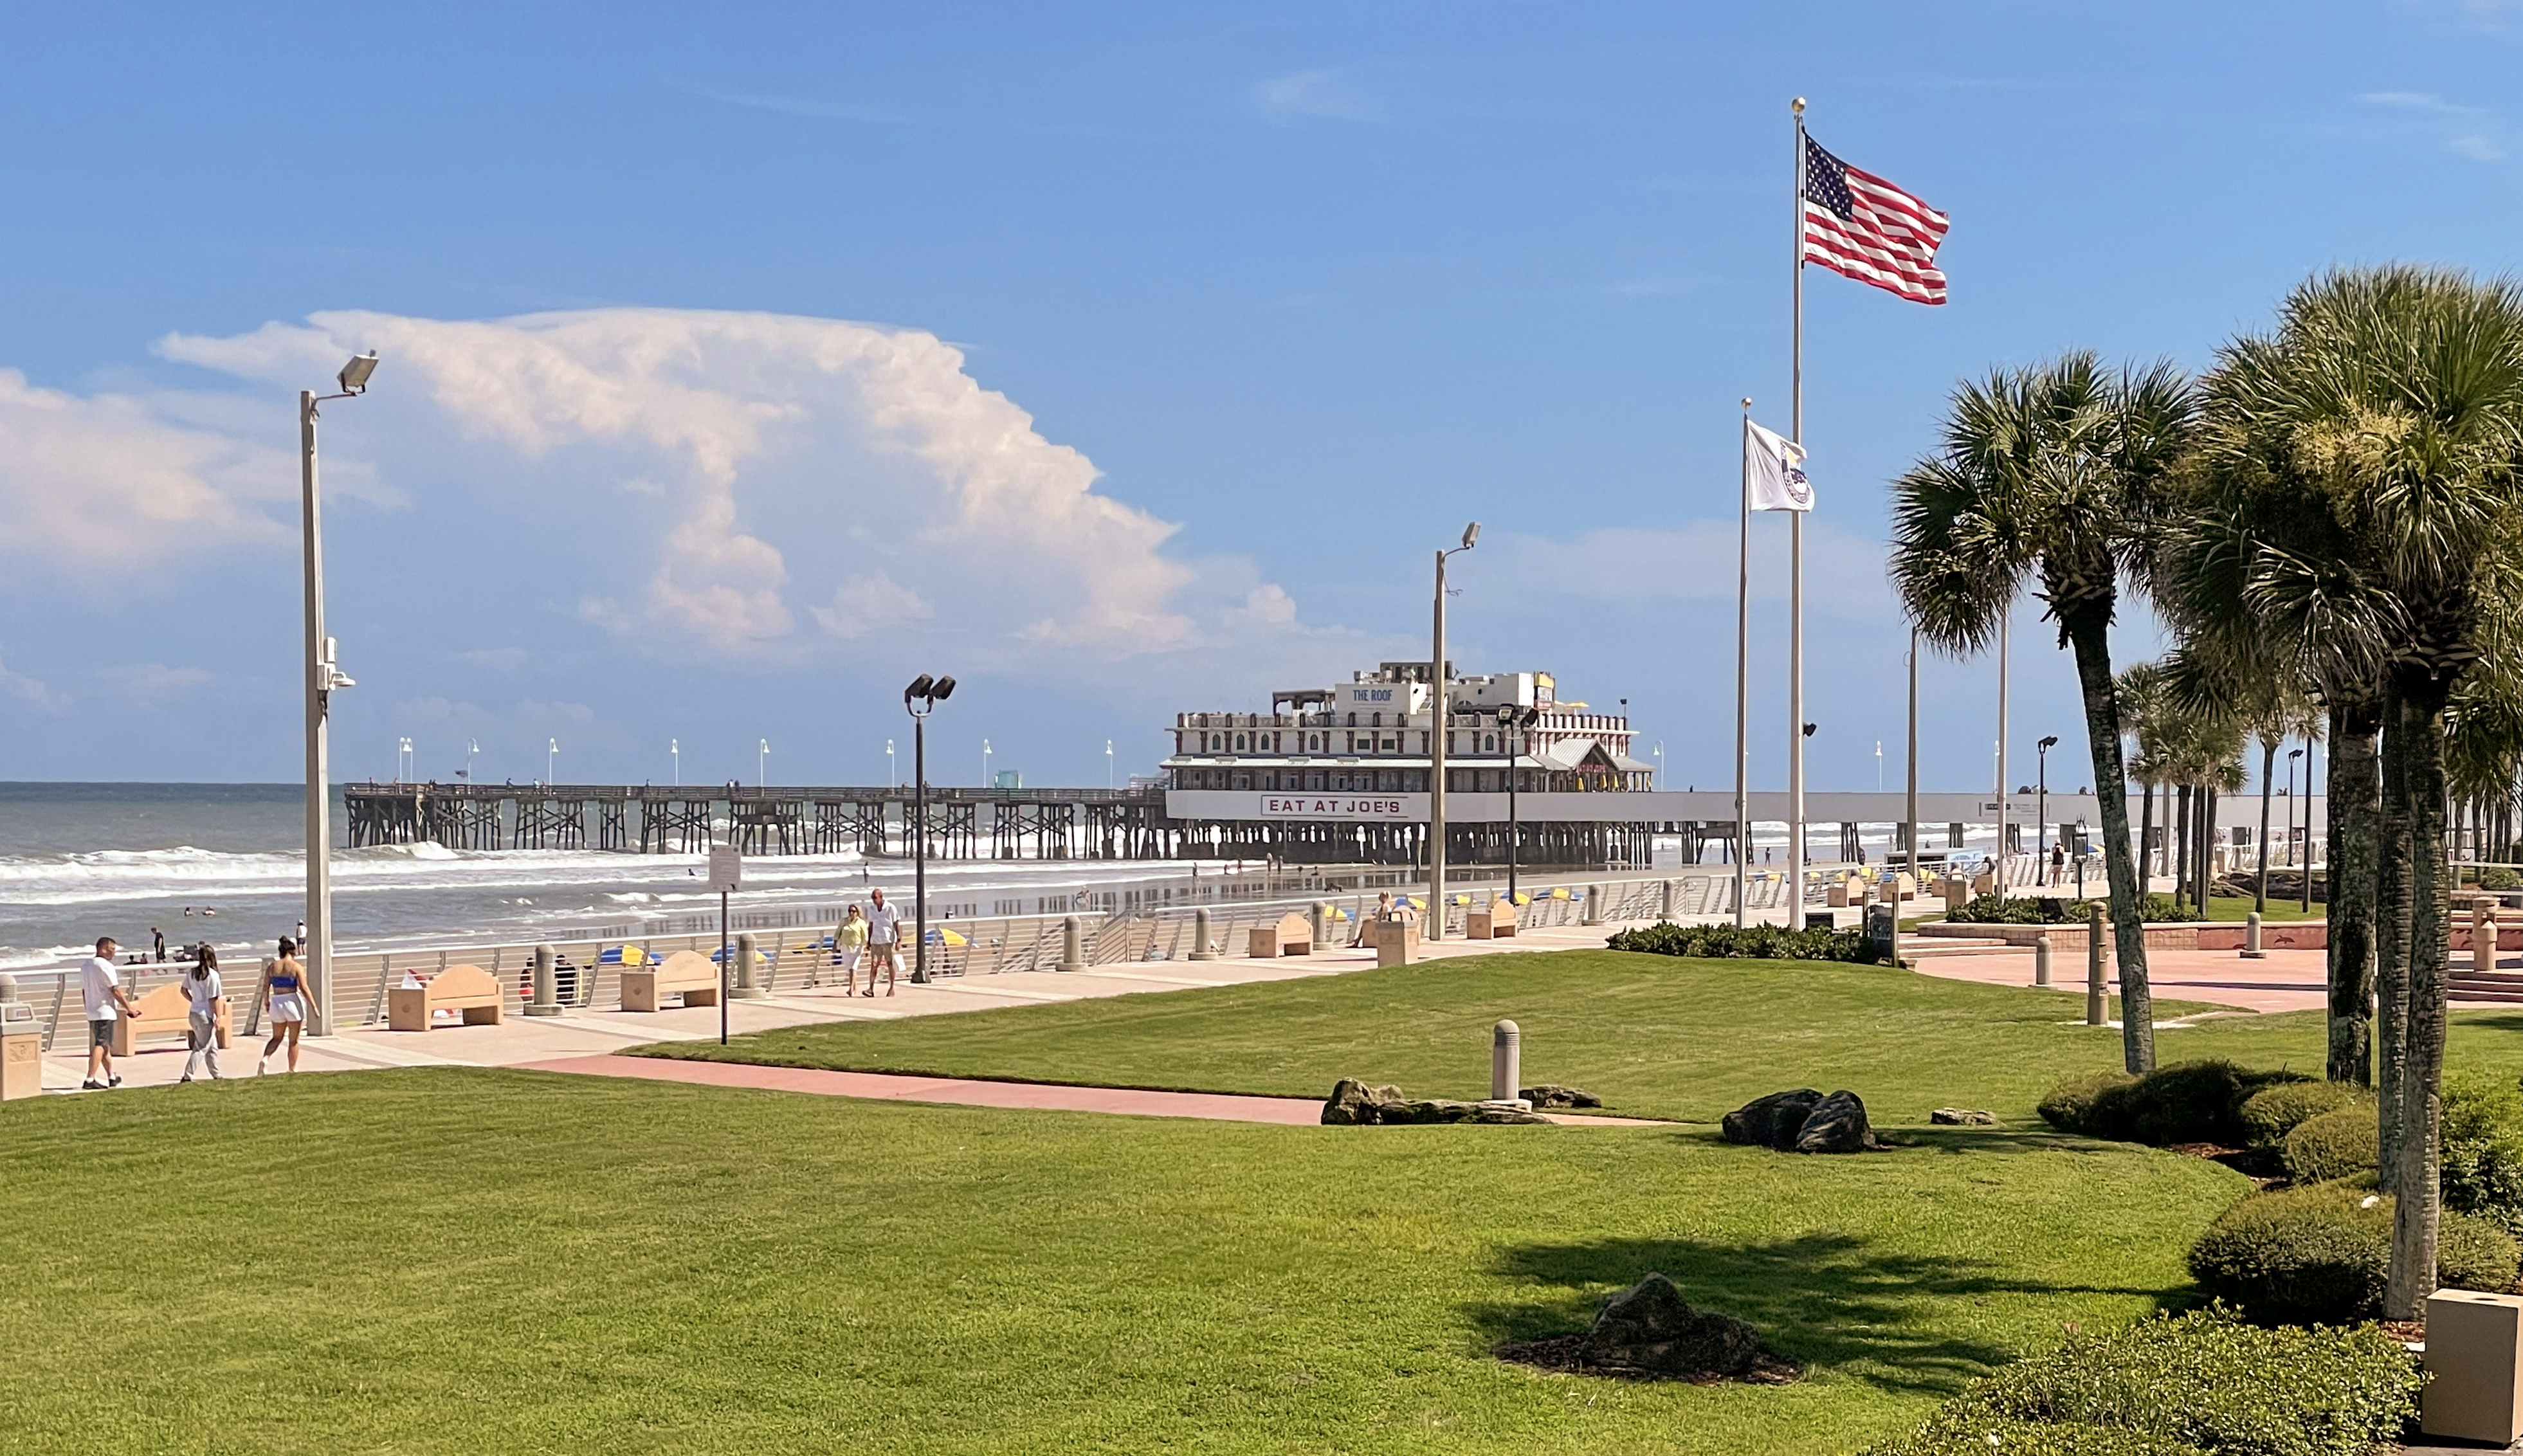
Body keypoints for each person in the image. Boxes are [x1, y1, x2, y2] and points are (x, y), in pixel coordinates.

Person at [80, 936, 140, 1090]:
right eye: (111, 950)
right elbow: (115, 990)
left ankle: (111, 1076)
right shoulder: (105, 966)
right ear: (102, 949)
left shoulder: (86, 966)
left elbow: (84, 990)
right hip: (104, 1011)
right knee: (100, 1044)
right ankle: (90, 1079)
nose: (113, 953)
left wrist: (87, 1006)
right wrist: (129, 1008)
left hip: (92, 1011)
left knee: (105, 1045)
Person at [259, 936, 308, 1075]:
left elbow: (265, 987)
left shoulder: (272, 967)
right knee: (293, 1040)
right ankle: (292, 1068)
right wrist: (314, 1006)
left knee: (276, 1037)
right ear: (293, 952)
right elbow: (304, 988)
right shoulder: (296, 967)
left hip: (277, 1002)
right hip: (292, 1001)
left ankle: (265, 1058)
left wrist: (266, 1002)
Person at [179, 943, 225, 1083]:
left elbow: (183, 990)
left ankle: (216, 1074)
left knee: (212, 1046)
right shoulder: (213, 975)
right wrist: (218, 1016)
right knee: (201, 1047)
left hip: (194, 1013)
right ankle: (187, 1075)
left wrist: (193, 1000)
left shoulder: (192, 973)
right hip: (206, 1015)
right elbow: (214, 998)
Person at [862, 887, 902, 996]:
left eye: (875, 898)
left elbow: (896, 924)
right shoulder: (872, 909)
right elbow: (871, 925)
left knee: (890, 964)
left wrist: (899, 940)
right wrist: (869, 940)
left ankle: (892, 988)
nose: (874, 900)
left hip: (888, 940)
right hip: (876, 940)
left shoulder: (890, 908)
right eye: (872, 898)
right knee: (874, 964)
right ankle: (870, 989)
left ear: (881, 897)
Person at [834, 905, 869, 995]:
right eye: (850, 911)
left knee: (854, 968)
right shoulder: (844, 921)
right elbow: (838, 932)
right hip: (845, 947)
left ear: (857, 912)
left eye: (853, 911)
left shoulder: (861, 922)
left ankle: (850, 989)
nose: (851, 913)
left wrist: (866, 947)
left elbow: (865, 936)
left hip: (857, 948)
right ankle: (854, 989)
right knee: (850, 969)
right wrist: (835, 944)